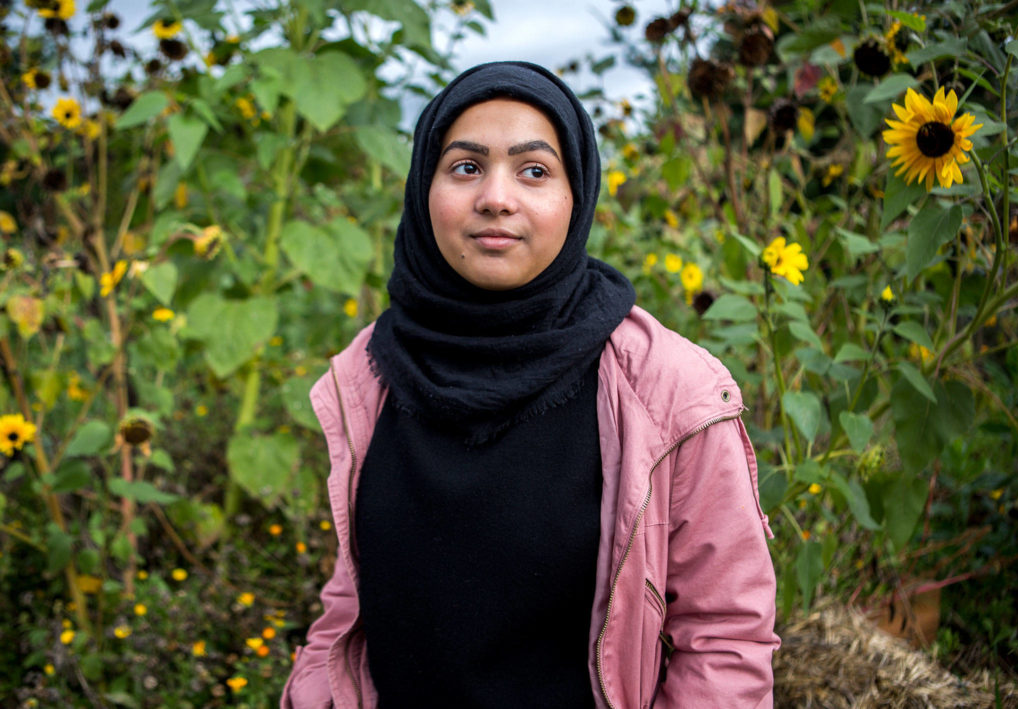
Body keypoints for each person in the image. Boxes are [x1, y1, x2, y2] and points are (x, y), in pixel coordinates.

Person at [281, 61, 779, 709]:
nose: (495, 196)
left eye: (534, 170)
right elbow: (349, 609)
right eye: (464, 167)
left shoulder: (668, 392)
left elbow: (724, 638)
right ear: (421, 188)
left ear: (578, 197)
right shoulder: (367, 372)